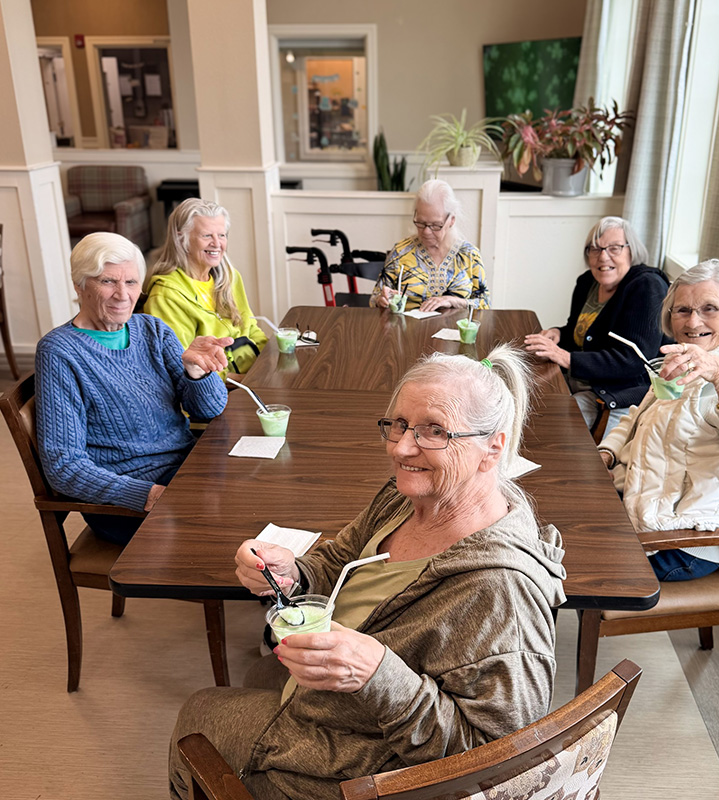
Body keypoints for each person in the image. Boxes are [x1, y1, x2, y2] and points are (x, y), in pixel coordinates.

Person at [169, 345, 566, 800]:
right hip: (335, 695)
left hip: (369, 768)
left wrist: (379, 675)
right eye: (398, 424)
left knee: (198, 712)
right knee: (261, 675)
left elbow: (492, 762)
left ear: (492, 447)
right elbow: (340, 559)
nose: (401, 448)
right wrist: (294, 574)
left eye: (434, 431)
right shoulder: (408, 495)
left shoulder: (500, 592)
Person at [35, 232, 230, 546]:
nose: (122, 295)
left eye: (131, 282)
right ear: (79, 285)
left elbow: (210, 409)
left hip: (185, 470)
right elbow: (63, 466)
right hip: (126, 501)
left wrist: (197, 373)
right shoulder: (60, 353)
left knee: (265, 491)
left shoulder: (151, 330)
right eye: (108, 281)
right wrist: (147, 495)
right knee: (241, 522)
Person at [598, 260, 719, 581]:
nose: (693, 321)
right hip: (644, 502)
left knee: (567, 562)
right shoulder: (686, 357)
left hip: (687, 540)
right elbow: (638, 416)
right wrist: (608, 452)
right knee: (553, 522)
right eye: (682, 310)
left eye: (710, 308)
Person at [524, 216, 669, 432]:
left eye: (614, 248)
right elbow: (582, 333)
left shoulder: (647, 287)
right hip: (581, 379)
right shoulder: (587, 283)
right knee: (523, 394)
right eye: (595, 249)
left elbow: (634, 360)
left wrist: (565, 357)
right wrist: (559, 334)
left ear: (631, 251)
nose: (603, 256)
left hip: (615, 392)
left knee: (547, 423)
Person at [144, 198, 267, 380]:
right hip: (219, 389)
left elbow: (251, 328)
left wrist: (270, 361)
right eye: (207, 236)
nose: (217, 244)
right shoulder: (165, 296)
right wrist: (247, 380)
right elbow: (182, 365)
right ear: (181, 239)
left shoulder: (230, 278)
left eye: (222, 235)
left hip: (253, 374)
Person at [370, 179, 491, 312]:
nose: (426, 231)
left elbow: (485, 304)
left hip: (456, 332)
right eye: (421, 223)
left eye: (435, 225)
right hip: (408, 331)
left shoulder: (469, 255)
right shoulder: (401, 252)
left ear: (451, 220)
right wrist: (380, 300)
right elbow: (374, 299)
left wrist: (453, 301)